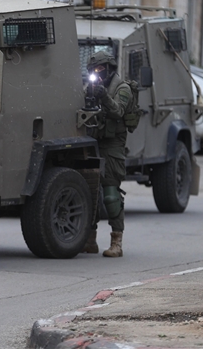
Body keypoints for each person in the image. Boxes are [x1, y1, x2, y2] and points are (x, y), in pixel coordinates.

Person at [83, 50, 132, 258]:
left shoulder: (122, 88)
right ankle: (90, 240)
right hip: (93, 142)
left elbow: (118, 111)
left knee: (111, 196)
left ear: (110, 69)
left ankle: (116, 242)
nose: (97, 73)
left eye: (101, 69)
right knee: (91, 194)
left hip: (113, 146)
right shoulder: (91, 87)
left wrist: (103, 96)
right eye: (94, 70)